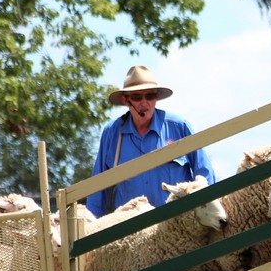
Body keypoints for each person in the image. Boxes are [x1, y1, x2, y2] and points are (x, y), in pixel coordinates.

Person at [85, 65, 216, 218]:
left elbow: (205, 176)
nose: (144, 102)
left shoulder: (179, 126)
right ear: (125, 100)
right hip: (129, 231)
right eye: (137, 97)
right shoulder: (112, 133)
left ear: (156, 98)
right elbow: (97, 192)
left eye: (150, 96)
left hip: (177, 225)